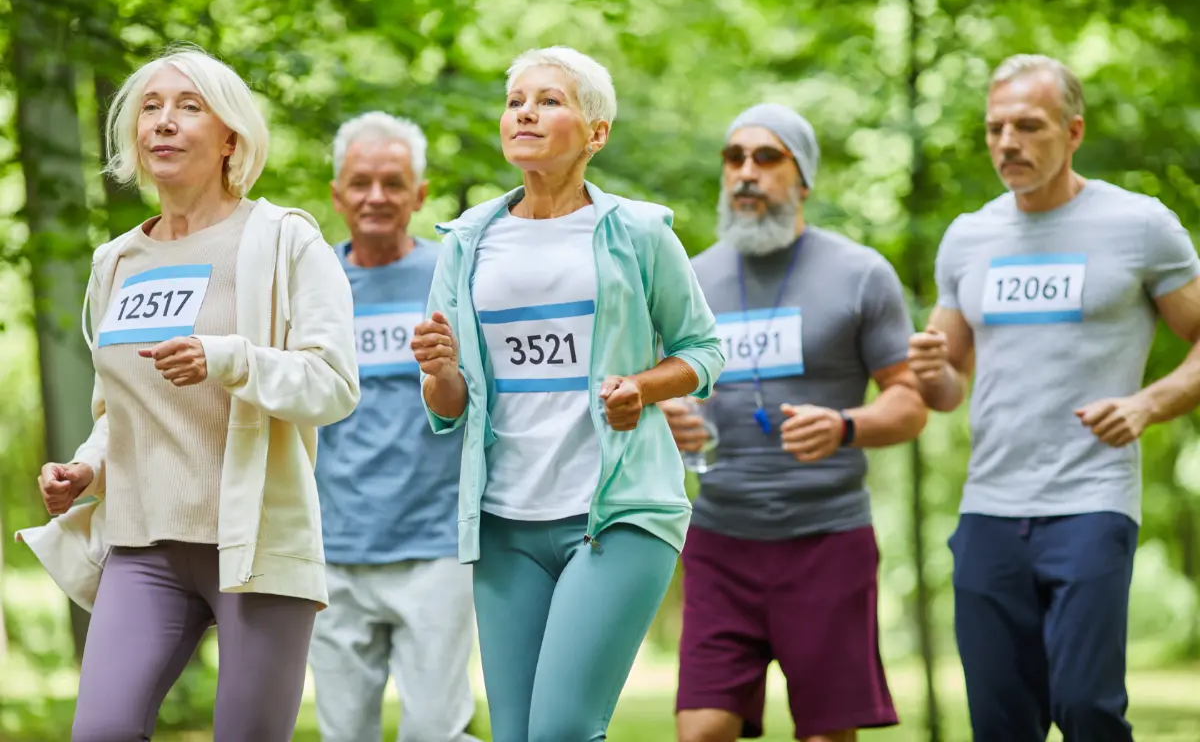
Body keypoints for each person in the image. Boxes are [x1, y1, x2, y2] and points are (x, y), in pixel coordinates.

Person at [17, 45, 359, 741]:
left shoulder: (284, 240)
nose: (163, 122)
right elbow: (121, 409)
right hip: (142, 543)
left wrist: (226, 358)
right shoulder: (117, 260)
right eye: (150, 107)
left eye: (188, 106)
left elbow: (332, 384)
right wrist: (88, 469)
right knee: (101, 733)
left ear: (231, 136)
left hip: (253, 541)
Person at [411, 45, 725, 742]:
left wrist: (641, 388)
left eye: (550, 100)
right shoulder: (465, 242)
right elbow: (448, 406)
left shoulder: (638, 232)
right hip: (503, 520)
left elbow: (704, 351)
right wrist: (439, 371)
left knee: (561, 728)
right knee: (519, 734)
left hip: (616, 511)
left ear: (596, 133)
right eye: (516, 100)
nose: (525, 111)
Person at [908, 54, 1200, 742]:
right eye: (995, 128)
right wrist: (927, 371)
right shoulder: (968, 237)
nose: (1008, 142)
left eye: (1028, 126)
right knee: (1000, 724)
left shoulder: (1139, 226)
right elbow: (948, 386)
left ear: (1072, 132)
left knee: (1085, 708)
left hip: (1091, 504)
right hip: (988, 511)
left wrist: (1146, 405)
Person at [662, 104, 927, 742]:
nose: (746, 172)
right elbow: (663, 394)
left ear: (803, 177)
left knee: (825, 735)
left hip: (827, 539)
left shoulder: (861, 274)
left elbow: (910, 402)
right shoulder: (690, 280)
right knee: (699, 730)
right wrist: (670, 417)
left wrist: (844, 426)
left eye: (767, 157)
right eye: (734, 158)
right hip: (721, 540)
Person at [307, 111, 479, 742]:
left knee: (435, 730)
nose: (375, 197)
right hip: (331, 550)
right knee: (343, 732)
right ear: (336, 194)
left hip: (434, 547)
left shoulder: (454, 279)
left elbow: (473, 402)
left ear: (420, 194)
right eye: (359, 183)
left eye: (393, 182)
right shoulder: (307, 283)